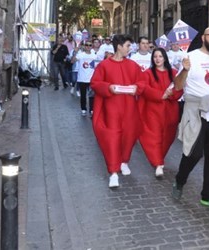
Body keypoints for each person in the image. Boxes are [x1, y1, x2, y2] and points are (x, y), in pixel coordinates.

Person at [171, 27, 209, 210]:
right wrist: (184, 70)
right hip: (196, 111)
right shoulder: (191, 57)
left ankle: (208, 196)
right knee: (193, 153)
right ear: (203, 38)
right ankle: (180, 180)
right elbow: (178, 86)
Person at [90, 34, 146, 188]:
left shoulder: (133, 65)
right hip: (111, 109)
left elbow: (142, 82)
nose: (130, 48)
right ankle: (113, 172)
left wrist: (137, 88)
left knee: (129, 136)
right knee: (113, 138)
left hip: (129, 109)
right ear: (119, 46)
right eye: (128, 45)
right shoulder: (104, 65)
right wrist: (108, 87)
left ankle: (124, 161)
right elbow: (95, 83)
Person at [139, 48, 184, 179]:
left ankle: (159, 158)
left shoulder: (174, 73)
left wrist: (172, 94)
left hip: (170, 111)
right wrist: (160, 95)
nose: (157, 59)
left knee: (167, 137)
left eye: (160, 56)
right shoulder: (147, 73)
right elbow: (145, 89)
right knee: (154, 136)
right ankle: (158, 163)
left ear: (165, 58)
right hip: (153, 110)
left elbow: (179, 88)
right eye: (155, 57)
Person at [72, 41, 98, 116]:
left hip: (91, 79)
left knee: (92, 95)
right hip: (82, 78)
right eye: (86, 45)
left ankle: (91, 109)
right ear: (84, 46)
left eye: (90, 45)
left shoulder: (94, 56)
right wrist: (75, 52)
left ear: (91, 46)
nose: (88, 46)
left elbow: (97, 66)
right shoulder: (80, 55)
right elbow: (72, 61)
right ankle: (83, 109)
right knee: (83, 95)